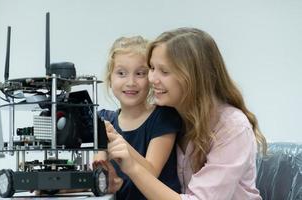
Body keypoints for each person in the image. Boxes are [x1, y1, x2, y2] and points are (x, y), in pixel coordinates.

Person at [105, 28, 268, 200]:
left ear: (193, 77)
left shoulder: (232, 127)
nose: (152, 79)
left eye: (164, 71)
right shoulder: (170, 116)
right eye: (152, 68)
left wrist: (133, 168)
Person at [93, 36, 184, 200]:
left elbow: (151, 172)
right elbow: (98, 174)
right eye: (121, 73)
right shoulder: (104, 119)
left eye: (140, 73)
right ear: (110, 78)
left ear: (150, 78)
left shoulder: (164, 117)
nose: (131, 82)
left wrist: (117, 139)